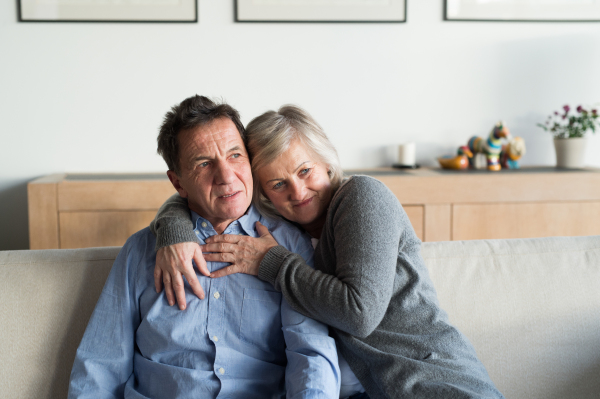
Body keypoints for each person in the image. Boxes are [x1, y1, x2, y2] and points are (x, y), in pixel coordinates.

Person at [151, 105, 505, 399]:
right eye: (278, 184)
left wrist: (269, 263)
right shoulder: (284, 231)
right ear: (263, 192)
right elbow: (211, 189)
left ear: (326, 162)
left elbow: (359, 314)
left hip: (432, 383)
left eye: (305, 171)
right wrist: (173, 226)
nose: (298, 191)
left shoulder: (363, 198)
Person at [68, 96, 340, 399]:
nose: (226, 177)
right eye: (204, 163)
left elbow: (311, 353)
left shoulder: (289, 244)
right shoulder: (140, 251)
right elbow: (100, 365)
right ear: (178, 183)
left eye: (235, 155)